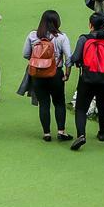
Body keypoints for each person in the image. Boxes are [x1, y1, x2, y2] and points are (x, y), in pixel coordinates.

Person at [69, 12, 104, 151]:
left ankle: (81, 135)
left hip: (87, 80)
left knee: (81, 109)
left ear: (90, 25)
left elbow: (75, 57)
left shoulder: (84, 39)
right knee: (103, 107)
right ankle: (102, 134)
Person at [23, 10, 74, 142]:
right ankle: (61, 131)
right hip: (55, 74)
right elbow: (68, 57)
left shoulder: (33, 35)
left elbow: (25, 54)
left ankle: (46, 133)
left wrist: (37, 63)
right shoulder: (62, 37)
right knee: (59, 103)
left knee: (44, 104)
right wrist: (67, 73)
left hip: (38, 75)